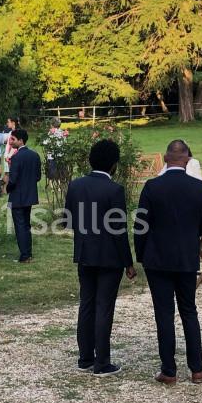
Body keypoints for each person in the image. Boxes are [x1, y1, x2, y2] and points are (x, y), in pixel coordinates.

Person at [135, 139, 202, 385]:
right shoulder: (199, 188)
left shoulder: (152, 186)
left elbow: (141, 226)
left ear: (166, 159)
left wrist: (140, 255)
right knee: (189, 311)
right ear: (188, 160)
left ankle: (169, 370)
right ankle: (197, 368)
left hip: (157, 258)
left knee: (164, 313)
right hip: (186, 257)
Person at [64, 139, 135, 377]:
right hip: (109, 257)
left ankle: (85, 358)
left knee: (86, 304)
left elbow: (69, 220)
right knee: (104, 307)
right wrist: (128, 262)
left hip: (84, 252)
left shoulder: (75, 185)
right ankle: (102, 362)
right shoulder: (114, 190)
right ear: (114, 164)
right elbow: (118, 230)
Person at [5, 128, 41, 263]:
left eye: (13, 139)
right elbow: (37, 176)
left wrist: (7, 188)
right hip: (30, 195)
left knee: (20, 226)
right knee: (26, 225)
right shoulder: (35, 155)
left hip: (17, 196)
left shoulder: (16, 157)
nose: (10, 141)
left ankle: (25, 255)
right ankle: (28, 253)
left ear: (20, 140)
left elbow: (13, 180)